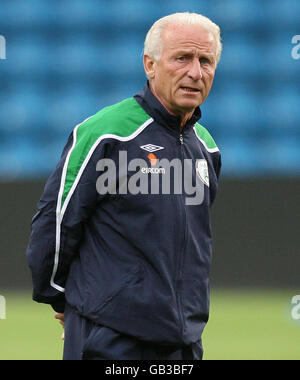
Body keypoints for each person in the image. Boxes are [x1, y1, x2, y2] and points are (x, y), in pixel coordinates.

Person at [27, 12, 222, 360]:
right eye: (182, 58)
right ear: (150, 64)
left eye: (206, 61)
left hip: (184, 341)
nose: (196, 72)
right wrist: (61, 298)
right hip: (110, 338)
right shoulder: (107, 134)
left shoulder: (206, 147)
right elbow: (55, 223)